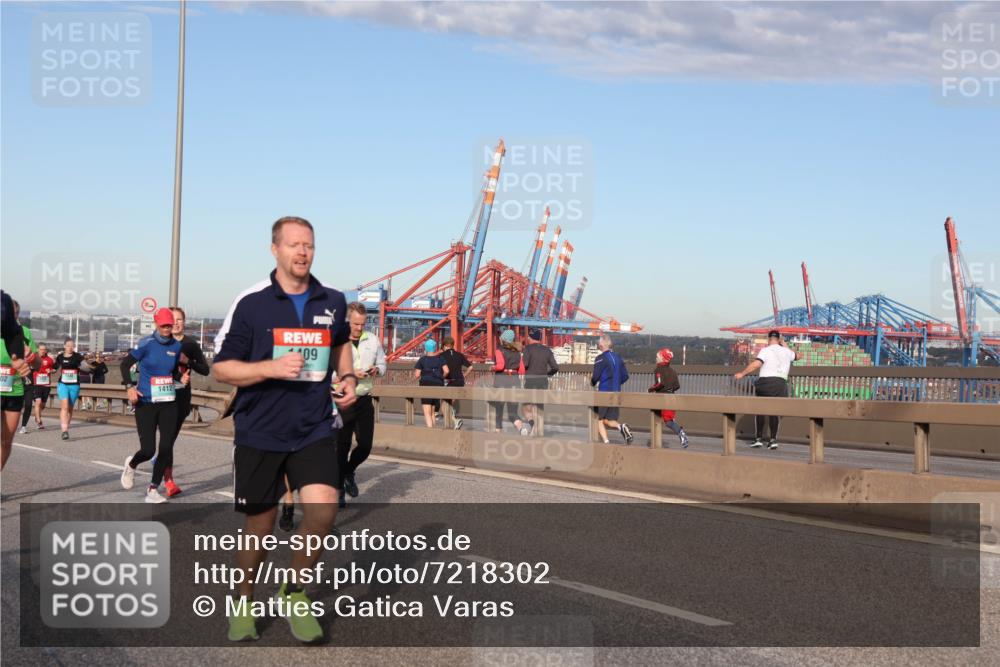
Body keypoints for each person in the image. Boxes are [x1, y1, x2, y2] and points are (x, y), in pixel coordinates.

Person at [212, 215, 355, 643]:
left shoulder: (332, 299)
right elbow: (221, 368)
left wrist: (346, 378)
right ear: (275, 249)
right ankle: (242, 600)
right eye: (293, 244)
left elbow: (341, 342)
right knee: (261, 524)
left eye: (308, 244)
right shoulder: (252, 302)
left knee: (324, 510)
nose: (302, 252)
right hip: (261, 429)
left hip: (312, 427)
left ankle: (294, 591)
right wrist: (269, 368)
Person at [119, 308, 190, 503]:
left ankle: (153, 488)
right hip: (146, 403)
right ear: (157, 324)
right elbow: (125, 365)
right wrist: (130, 388)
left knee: (166, 447)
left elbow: (171, 371)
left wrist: (180, 377)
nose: (168, 328)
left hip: (168, 402)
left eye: (170, 325)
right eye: (164, 325)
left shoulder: (176, 347)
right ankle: (131, 465)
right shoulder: (146, 344)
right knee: (148, 450)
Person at [155, 305, 212, 496]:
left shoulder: (190, 344)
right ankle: (169, 482)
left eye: (179, 320)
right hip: (161, 395)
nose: (176, 323)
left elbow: (205, 370)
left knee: (168, 440)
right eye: (173, 319)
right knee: (167, 439)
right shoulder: (159, 342)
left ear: (184, 323)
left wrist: (187, 361)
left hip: (181, 397)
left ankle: (160, 461)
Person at [734, 329, 797, 450]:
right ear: (779, 340)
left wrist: (742, 374)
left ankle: (758, 439)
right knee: (775, 412)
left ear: (769, 339)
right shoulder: (787, 351)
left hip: (765, 383)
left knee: (760, 410)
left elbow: (756, 364)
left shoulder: (765, 350)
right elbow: (798, 356)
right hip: (781, 383)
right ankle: (773, 440)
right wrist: (787, 346)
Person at [1, 299, 37, 469]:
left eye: (15, 314)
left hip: (14, 391)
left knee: (6, 441)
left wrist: (31, 357)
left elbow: (38, 365)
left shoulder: (24, 333)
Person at [590, 334, 633, 444]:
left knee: (597, 419)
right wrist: (617, 383)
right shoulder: (618, 357)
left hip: (604, 393)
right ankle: (621, 427)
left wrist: (592, 383)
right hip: (616, 392)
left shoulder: (600, 358)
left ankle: (606, 441)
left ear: (601, 344)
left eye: (599, 342)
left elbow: (595, 377)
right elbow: (625, 376)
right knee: (608, 420)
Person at [519, 329, 559, 436]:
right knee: (539, 406)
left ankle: (533, 426)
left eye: (529, 337)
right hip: (543, 381)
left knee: (526, 406)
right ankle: (537, 429)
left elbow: (525, 364)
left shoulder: (528, 349)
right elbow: (555, 367)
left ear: (531, 338)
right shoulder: (547, 350)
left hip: (531, 381)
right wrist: (547, 375)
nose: (527, 338)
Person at [648, 347, 688, 448]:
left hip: (662, 399)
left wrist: (651, 389)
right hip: (672, 397)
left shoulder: (658, 369)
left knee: (668, 421)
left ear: (662, 358)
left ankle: (680, 432)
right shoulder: (672, 370)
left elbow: (659, 384)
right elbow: (677, 386)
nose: (656, 358)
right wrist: (670, 389)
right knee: (668, 419)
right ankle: (656, 442)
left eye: (657, 356)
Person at [490, 329, 526, 434]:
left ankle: (498, 430)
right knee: (513, 411)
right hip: (514, 381)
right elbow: (522, 370)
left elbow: (500, 366)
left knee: (499, 408)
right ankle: (521, 428)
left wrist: (493, 368)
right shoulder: (518, 353)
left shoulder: (499, 350)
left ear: (503, 340)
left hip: (501, 380)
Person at [52, 338, 85, 440]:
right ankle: (64, 431)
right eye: (68, 345)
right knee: (65, 406)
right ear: (64, 346)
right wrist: (50, 370)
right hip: (63, 384)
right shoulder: (60, 357)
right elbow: (55, 367)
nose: (70, 347)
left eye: (72, 345)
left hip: (74, 385)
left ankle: (66, 427)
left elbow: (85, 366)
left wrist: (88, 367)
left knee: (70, 408)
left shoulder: (78, 356)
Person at [415, 339, 448, 428]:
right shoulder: (441, 358)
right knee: (433, 411)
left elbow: (417, 375)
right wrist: (441, 377)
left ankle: (430, 432)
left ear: (426, 348)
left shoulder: (422, 360)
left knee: (427, 412)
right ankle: (434, 430)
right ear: (435, 348)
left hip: (425, 385)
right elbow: (446, 371)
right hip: (438, 385)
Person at [21, 343, 54, 433]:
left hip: (46, 384)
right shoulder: (34, 359)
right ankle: (38, 420)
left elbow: (54, 369)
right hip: (36, 384)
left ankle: (37, 415)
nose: (42, 351)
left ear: (46, 350)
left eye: (44, 349)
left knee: (42, 405)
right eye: (41, 349)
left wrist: (51, 370)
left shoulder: (50, 360)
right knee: (38, 402)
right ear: (38, 349)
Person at [440, 335, 470, 430]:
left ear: (444, 346)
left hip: (450, 381)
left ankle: (455, 420)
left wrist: (441, 377)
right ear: (453, 345)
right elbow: (470, 367)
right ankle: (452, 419)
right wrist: (464, 375)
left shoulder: (442, 355)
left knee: (444, 405)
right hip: (460, 382)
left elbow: (445, 371)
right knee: (450, 402)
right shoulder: (459, 355)